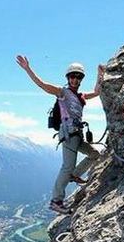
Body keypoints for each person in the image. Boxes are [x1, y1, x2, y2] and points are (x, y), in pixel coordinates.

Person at [16, 55, 105, 213]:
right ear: (68, 78)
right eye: (72, 77)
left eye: (78, 77)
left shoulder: (81, 96)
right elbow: (42, 85)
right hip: (69, 134)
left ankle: (74, 175)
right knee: (67, 166)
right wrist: (27, 69)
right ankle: (56, 201)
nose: (75, 80)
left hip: (77, 134)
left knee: (94, 154)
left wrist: (100, 75)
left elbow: (97, 92)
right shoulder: (62, 92)